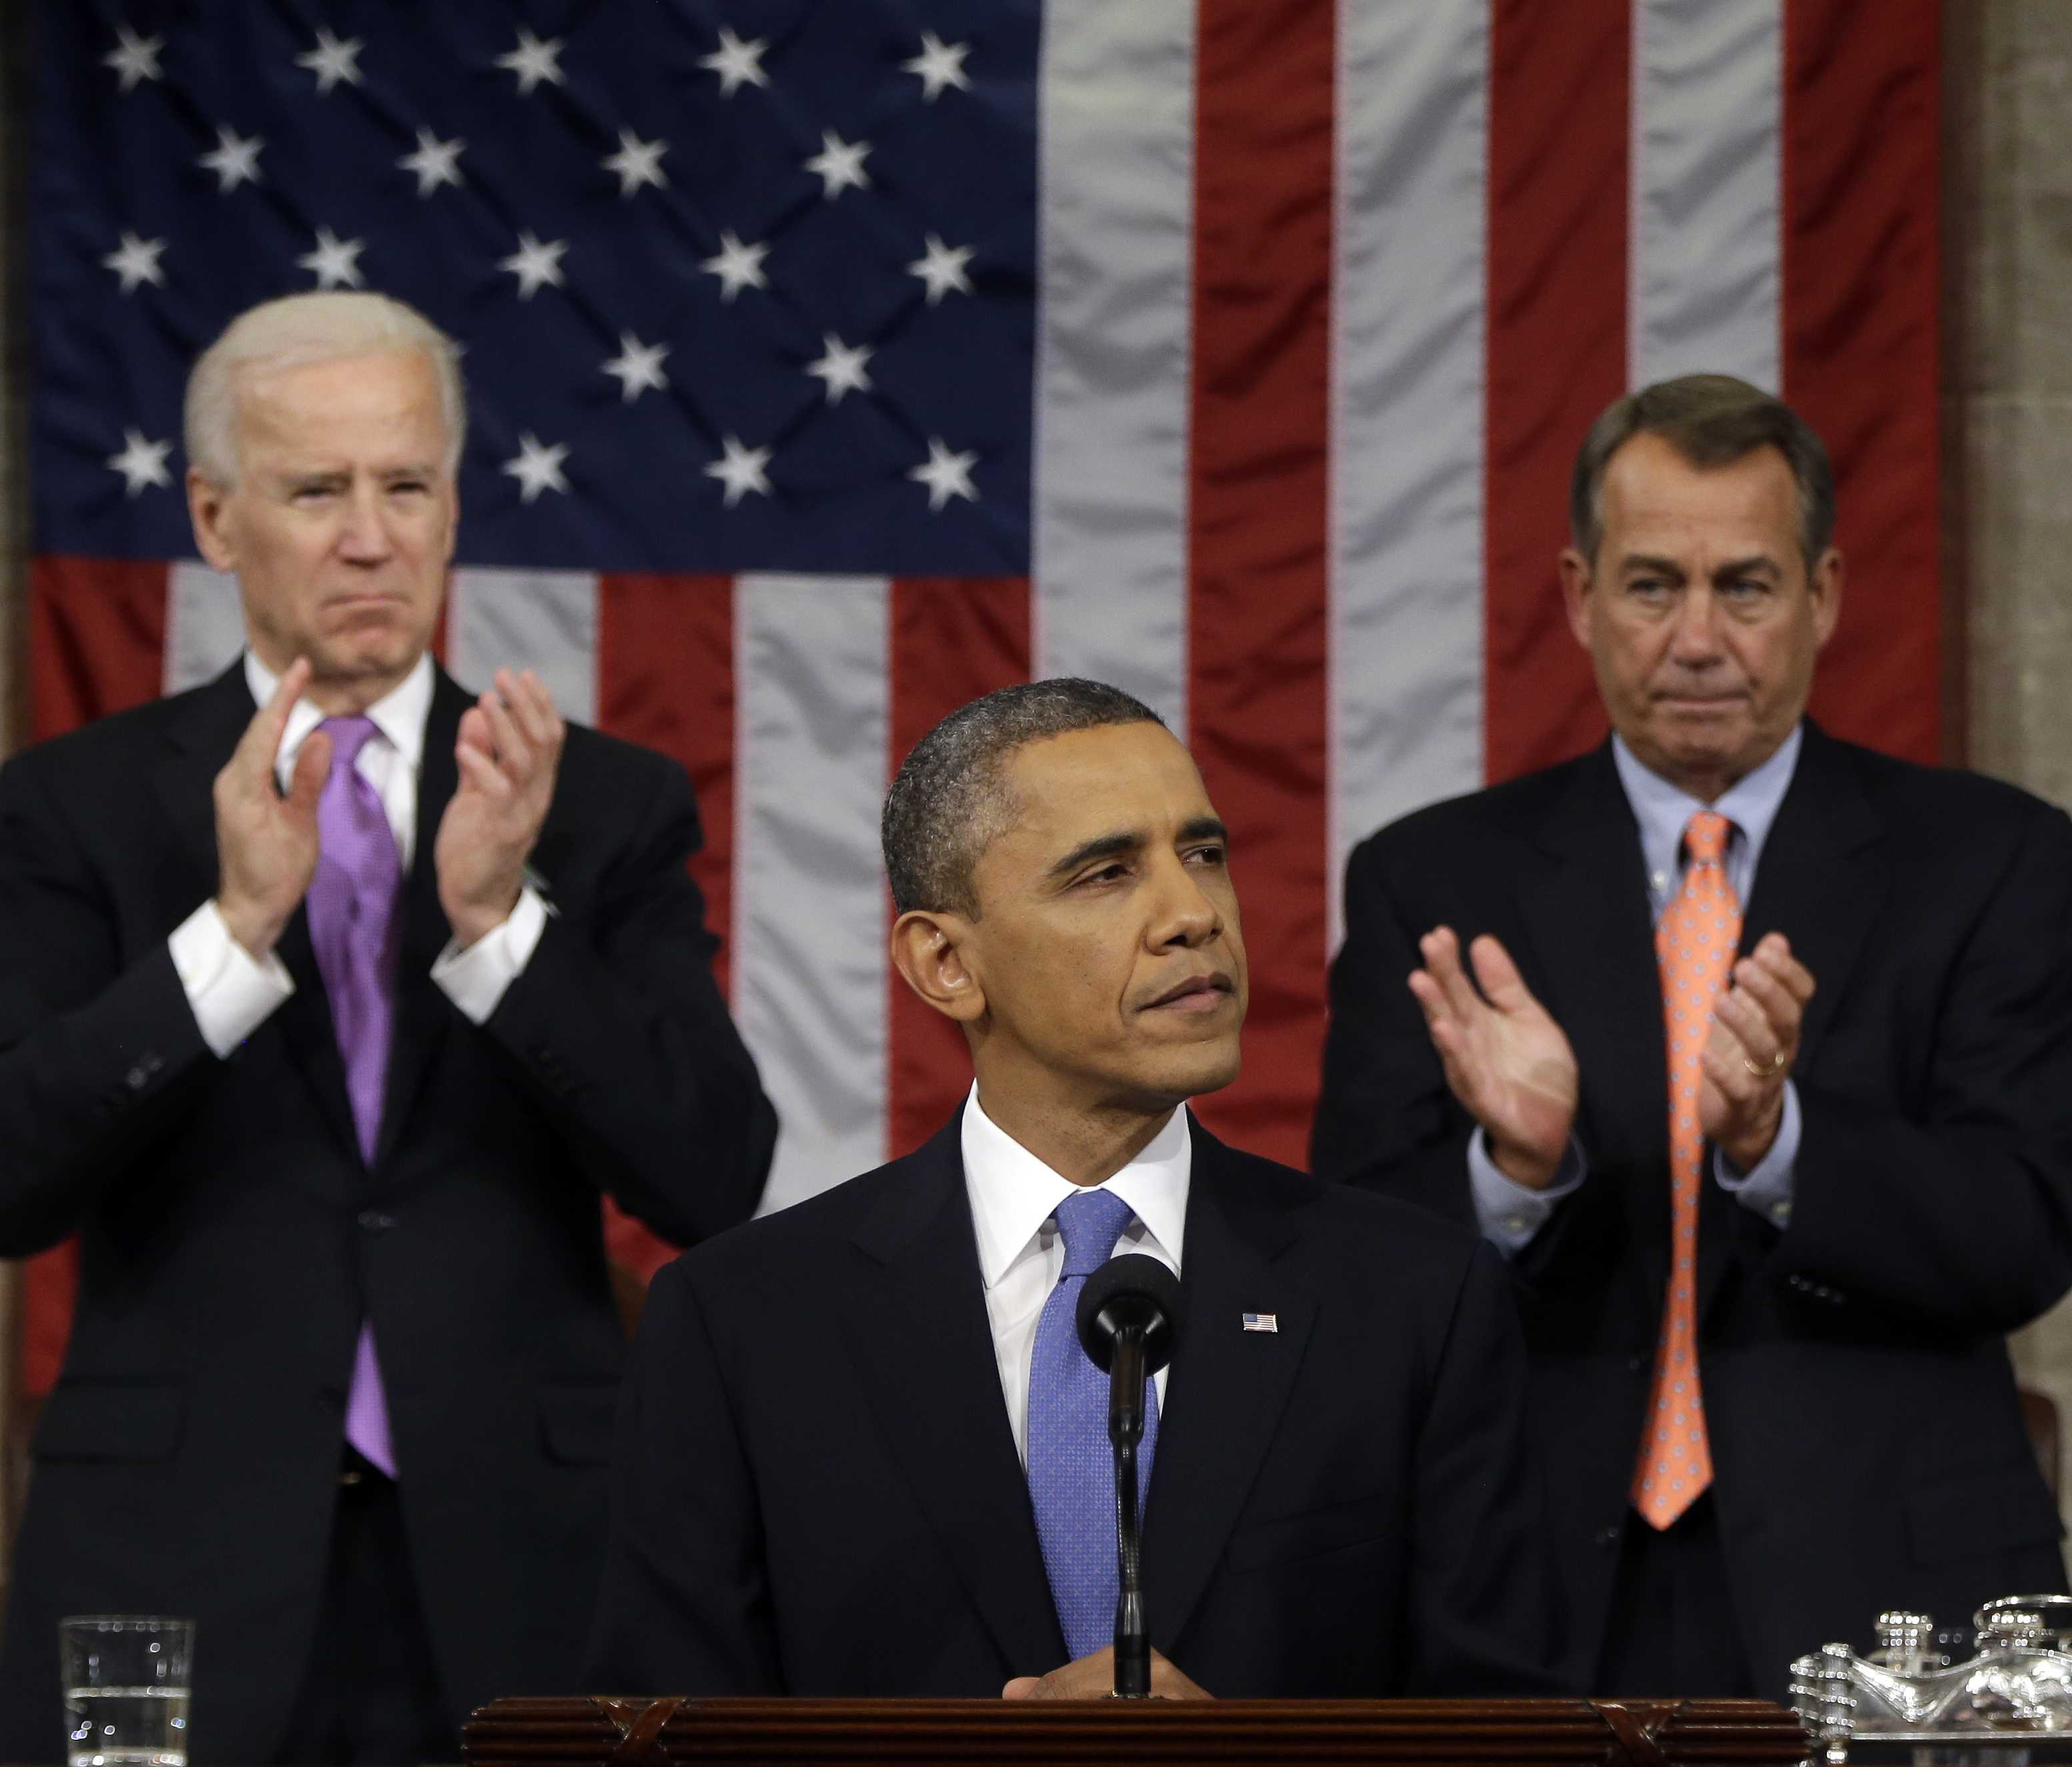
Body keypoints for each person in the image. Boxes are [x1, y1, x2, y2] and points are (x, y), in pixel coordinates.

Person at [0, 293, 777, 1764]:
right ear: (215, 521)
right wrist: (228, 938)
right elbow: (2, 1176)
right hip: (176, 1559)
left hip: (519, 1567)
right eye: (316, 490)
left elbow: (713, 1175)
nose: (371, 536)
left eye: (406, 484)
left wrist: (500, 928)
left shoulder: (597, 805)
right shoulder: (79, 804)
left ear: (454, 502)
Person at [1311, 374, 2072, 1698]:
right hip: (1526, 1589)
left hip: (1889, 1595)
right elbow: (1356, 1272)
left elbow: (2023, 1227)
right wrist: (1517, 1172)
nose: (1700, 639)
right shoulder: (1430, 879)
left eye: (1747, 586)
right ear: (1577, 596)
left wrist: (1783, 1146)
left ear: (1823, 595)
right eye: (1654, 585)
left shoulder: (1992, 860)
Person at [586, 679, 1558, 1700]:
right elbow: (671, 1729)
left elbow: (1505, 1725)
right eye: (1104, 874)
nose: (1192, 916)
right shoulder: (743, 1324)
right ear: (945, 963)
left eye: (1203, 854)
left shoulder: (1412, 1299)